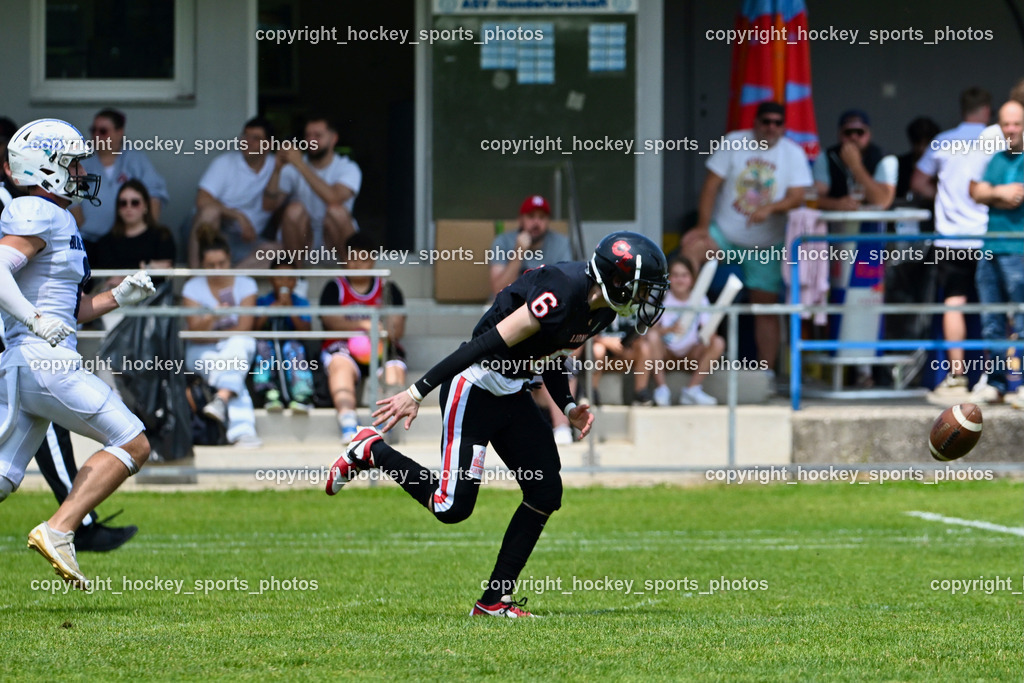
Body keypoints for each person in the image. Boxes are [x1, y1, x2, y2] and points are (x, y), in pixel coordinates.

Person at [326, 231, 669, 617]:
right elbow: (483, 344)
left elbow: (551, 353)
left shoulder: (601, 308)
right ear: (618, 279)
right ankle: (370, 450)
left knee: (545, 492)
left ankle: (494, 600)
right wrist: (417, 392)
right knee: (451, 507)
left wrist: (568, 404)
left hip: (512, 390)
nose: (646, 298)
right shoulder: (561, 291)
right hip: (475, 386)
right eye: (643, 288)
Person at [0, 119, 156, 588]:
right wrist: (34, 320)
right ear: (46, 167)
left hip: (26, 363)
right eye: (73, 162)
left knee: (4, 477)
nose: (82, 171)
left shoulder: (53, 214)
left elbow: (65, 309)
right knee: (133, 442)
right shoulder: (36, 210)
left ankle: (61, 527)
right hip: (45, 363)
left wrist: (116, 298)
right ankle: (60, 528)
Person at [689, 101, 812, 376]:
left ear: (784, 126)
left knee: (765, 309)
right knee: (691, 252)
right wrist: (702, 227)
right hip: (725, 233)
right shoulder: (734, 141)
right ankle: (679, 334)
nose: (771, 127)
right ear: (754, 122)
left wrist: (769, 208)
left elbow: (798, 197)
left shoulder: (792, 153)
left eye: (777, 122)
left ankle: (766, 375)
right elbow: (711, 186)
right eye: (766, 121)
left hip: (766, 244)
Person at [911, 88, 992, 395]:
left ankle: (956, 376)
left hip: (951, 238)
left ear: (962, 109)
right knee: (992, 305)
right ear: (986, 110)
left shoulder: (942, 141)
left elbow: (918, 182)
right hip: (987, 235)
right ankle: (991, 378)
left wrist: (942, 198)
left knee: (954, 301)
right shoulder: (995, 139)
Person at [490, 195, 575, 442]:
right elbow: (498, 289)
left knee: (563, 359)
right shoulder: (503, 241)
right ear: (521, 219)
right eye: (531, 217)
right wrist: (519, 252)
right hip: (512, 320)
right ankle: (561, 426)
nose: (536, 223)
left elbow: (568, 288)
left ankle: (561, 426)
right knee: (551, 359)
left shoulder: (561, 243)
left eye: (542, 217)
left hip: (551, 320)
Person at [319, 233, 406, 442]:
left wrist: (380, 332)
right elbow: (330, 322)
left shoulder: (388, 288)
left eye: (363, 258)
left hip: (381, 349)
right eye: (352, 258)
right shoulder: (335, 287)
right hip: (344, 349)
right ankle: (348, 422)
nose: (357, 264)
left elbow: (397, 328)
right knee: (340, 366)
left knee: (394, 371)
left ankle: (385, 426)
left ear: (373, 260)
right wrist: (364, 324)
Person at [182, 226, 261, 447]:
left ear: (230, 260)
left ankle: (222, 400)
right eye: (210, 265)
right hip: (201, 351)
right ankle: (242, 432)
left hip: (234, 345)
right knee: (232, 368)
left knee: (237, 345)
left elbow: (245, 327)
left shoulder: (246, 284)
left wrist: (210, 332)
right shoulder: (192, 288)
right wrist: (212, 317)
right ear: (202, 265)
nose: (217, 269)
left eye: (221, 264)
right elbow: (195, 335)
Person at [968, 100, 1024, 407]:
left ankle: (1023, 384)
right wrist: (999, 193)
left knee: (1021, 319)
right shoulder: (997, 159)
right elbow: (976, 191)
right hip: (990, 250)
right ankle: (999, 382)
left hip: (1018, 251)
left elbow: (1018, 197)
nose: (1011, 130)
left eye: (1016, 124)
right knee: (992, 320)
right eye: (1006, 124)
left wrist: (993, 195)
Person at [262, 115, 361, 264]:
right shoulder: (292, 167)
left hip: (334, 244)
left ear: (333, 139)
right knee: (293, 209)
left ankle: (350, 274)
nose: (311, 140)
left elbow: (334, 198)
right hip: (302, 242)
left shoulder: (347, 167)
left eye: (318, 136)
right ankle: (296, 276)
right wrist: (277, 170)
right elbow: (268, 206)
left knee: (337, 211)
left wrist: (301, 165)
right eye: (308, 135)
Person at [71, 108, 169, 256]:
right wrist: (79, 224)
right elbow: (69, 192)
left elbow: (154, 195)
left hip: (126, 241)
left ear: (119, 132)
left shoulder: (136, 159)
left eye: (103, 131)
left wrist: (147, 232)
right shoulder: (82, 160)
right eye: (93, 130)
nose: (96, 135)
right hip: (87, 241)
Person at [189, 117, 277, 267]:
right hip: (212, 234)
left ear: (268, 145)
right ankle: (195, 277)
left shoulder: (277, 166)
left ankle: (229, 278)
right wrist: (238, 216)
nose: (247, 141)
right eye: (245, 136)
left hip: (247, 241)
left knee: (278, 253)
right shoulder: (225, 162)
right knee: (210, 212)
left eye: (255, 138)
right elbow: (202, 200)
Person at [645, 255, 725, 406]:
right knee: (652, 337)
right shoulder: (662, 298)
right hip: (667, 354)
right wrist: (668, 330)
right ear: (669, 279)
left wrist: (709, 334)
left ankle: (692, 389)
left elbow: (709, 332)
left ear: (692, 279)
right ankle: (661, 389)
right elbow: (650, 331)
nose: (680, 280)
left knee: (718, 342)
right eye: (675, 275)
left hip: (691, 354)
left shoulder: (700, 299)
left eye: (684, 275)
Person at [251, 260, 316, 413]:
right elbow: (255, 327)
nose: (284, 282)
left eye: (289, 278)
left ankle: (301, 395)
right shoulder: (262, 301)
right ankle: (269, 393)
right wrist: (272, 308)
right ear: (271, 279)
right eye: (280, 278)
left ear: (295, 281)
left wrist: (290, 309)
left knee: (293, 349)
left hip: (292, 345)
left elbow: (306, 331)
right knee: (263, 348)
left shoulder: (301, 303)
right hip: (269, 344)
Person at [92, 180, 177, 290]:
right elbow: (109, 276)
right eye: (123, 203)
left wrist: (126, 274)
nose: (129, 207)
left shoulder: (162, 236)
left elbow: (166, 269)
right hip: (117, 302)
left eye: (135, 202)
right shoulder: (106, 242)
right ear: (118, 208)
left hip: (154, 300)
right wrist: (147, 267)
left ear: (146, 205)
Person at [813, 109, 898, 211]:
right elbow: (814, 199)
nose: (853, 137)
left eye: (859, 132)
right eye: (848, 132)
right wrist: (836, 204)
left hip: (874, 224)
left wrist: (855, 166)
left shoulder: (885, 158)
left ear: (869, 134)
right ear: (839, 134)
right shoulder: (827, 156)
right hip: (837, 222)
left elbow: (882, 202)